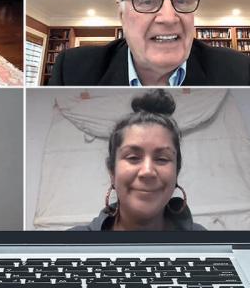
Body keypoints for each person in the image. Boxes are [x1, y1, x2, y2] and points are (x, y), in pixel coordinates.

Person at [50, 0, 250, 86]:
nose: (169, 18)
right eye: (146, 1)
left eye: (182, 0)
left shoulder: (239, 72)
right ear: (122, 15)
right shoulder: (73, 72)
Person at [71, 90, 206, 231]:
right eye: (133, 158)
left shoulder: (206, 244)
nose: (147, 171)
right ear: (112, 171)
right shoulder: (71, 247)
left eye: (162, 159)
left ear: (176, 171)